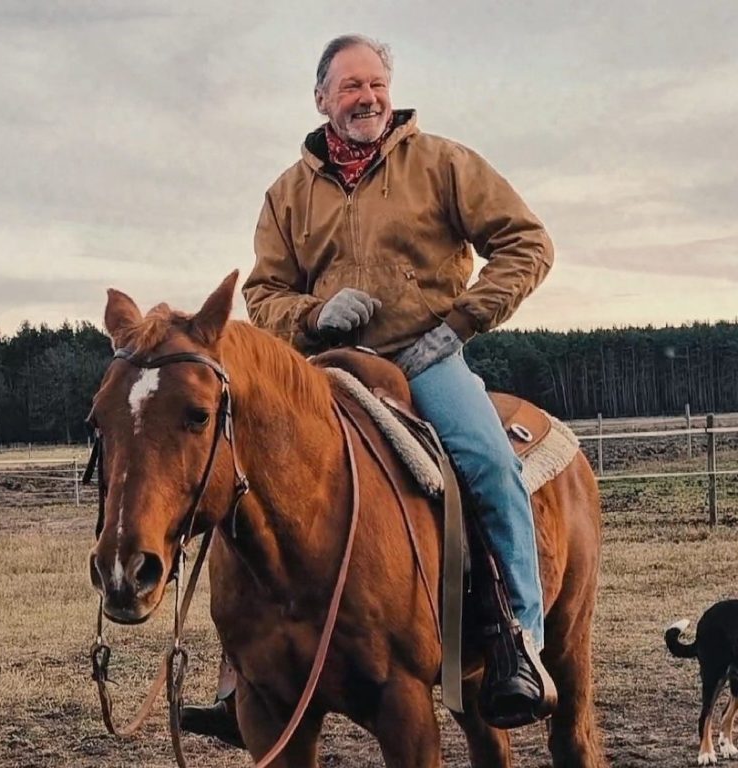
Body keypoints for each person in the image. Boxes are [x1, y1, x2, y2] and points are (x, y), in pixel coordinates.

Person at [242, 33, 555, 728]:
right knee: (248, 476)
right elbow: (262, 295)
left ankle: (518, 640)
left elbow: (528, 243)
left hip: (425, 359)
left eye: (376, 83)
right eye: (350, 86)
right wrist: (316, 313)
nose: (367, 97)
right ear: (321, 98)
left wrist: (463, 321)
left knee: (489, 465)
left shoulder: (443, 163)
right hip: (326, 367)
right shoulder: (287, 194)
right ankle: (246, 669)